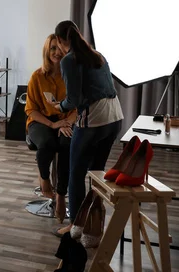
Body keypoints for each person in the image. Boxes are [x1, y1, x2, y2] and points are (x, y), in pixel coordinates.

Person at [49, 20, 123, 237]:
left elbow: (74, 99)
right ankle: (94, 223)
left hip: (94, 118)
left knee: (76, 173)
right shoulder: (98, 55)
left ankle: (75, 226)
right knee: (97, 174)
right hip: (115, 116)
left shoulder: (69, 60)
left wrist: (59, 105)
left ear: (62, 41)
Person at [25, 34, 76, 222]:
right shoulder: (37, 77)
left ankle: (61, 195)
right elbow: (31, 110)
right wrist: (53, 124)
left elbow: (77, 108)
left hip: (65, 120)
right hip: (41, 121)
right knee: (46, 143)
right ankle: (45, 179)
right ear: (47, 51)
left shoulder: (71, 76)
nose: (56, 52)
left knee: (66, 145)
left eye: (59, 49)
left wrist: (66, 123)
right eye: (52, 48)